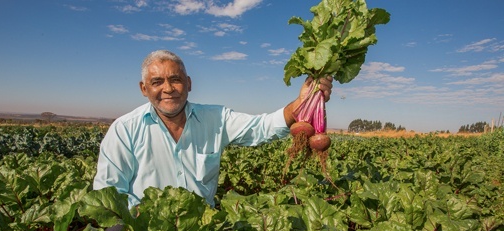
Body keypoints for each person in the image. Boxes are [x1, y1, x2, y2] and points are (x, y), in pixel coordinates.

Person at [93, 50, 333, 208]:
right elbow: (108, 196)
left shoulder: (216, 119)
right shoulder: (124, 130)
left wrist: (299, 105)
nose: (168, 88)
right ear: (144, 89)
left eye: (175, 80)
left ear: (188, 84)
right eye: (157, 82)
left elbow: (260, 127)